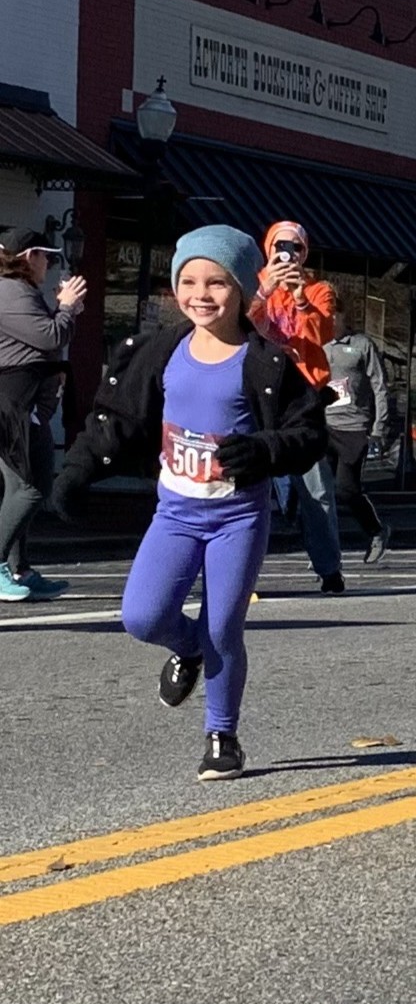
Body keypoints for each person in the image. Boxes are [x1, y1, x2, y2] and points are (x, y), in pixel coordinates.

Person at [47, 226, 328, 780]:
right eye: (189, 280)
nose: (202, 294)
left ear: (246, 289)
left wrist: (264, 450)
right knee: (142, 616)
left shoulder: (266, 361)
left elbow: (309, 433)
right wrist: (74, 473)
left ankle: (222, 734)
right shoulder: (157, 352)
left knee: (225, 625)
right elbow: (117, 419)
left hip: (238, 516)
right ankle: (188, 650)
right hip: (175, 512)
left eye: (217, 282)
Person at [249, 222, 344, 594]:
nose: (289, 255)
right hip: (259, 392)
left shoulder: (317, 289)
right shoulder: (255, 282)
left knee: (316, 488)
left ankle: (329, 568)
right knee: (257, 484)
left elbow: (323, 334)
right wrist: (267, 288)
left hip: (302, 394)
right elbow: (242, 321)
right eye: (281, 247)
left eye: (297, 248)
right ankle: (243, 572)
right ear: (269, 248)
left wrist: (300, 297)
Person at [0, 227, 84, 601]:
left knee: (27, 486)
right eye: (44, 256)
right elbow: (50, 337)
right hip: (12, 401)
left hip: (28, 400)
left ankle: (20, 568)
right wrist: (65, 307)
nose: (49, 264)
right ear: (28, 256)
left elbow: (52, 339)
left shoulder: (21, 292)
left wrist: (68, 312)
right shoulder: (9, 291)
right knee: (30, 487)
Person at [322, 300, 395, 565]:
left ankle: (376, 531)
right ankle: (324, 545)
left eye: (332, 316)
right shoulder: (318, 344)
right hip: (324, 425)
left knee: (345, 489)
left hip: (354, 427)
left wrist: (379, 427)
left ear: (342, 316)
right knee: (320, 492)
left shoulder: (362, 345)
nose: (328, 321)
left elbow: (379, 386)